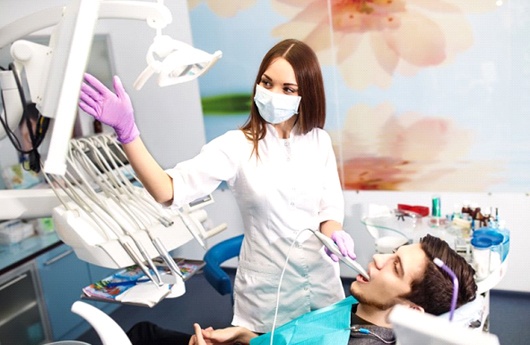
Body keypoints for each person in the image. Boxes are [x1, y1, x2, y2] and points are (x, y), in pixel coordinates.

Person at [79, 38, 356, 333]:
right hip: (267, 299)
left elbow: (328, 209)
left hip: (322, 289)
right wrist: (128, 133)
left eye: (287, 89)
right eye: (266, 82)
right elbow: (167, 189)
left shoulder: (319, 141)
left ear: (306, 94)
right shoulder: (236, 146)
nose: (273, 94)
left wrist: (334, 233)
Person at [182, 234, 477, 345]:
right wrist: (246, 337)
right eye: (393, 252)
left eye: (395, 267)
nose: (377, 258)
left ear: (412, 309)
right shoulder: (359, 308)